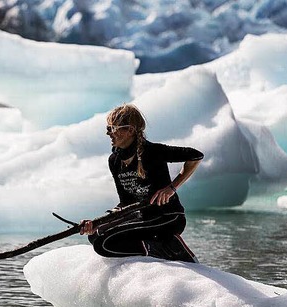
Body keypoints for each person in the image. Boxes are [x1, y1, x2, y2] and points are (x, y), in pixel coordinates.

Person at [80, 104, 204, 262]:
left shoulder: (152, 152)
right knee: (96, 235)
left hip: (168, 218)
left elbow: (195, 156)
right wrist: (98, 222)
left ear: (130, 130)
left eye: (112, 128)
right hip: (142, 217)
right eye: (108, 128)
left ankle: (168, 248)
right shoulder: (114, 160)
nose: (108, 133)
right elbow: (126, 202)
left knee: (103, 244)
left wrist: (171, 188)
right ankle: (155, 245)